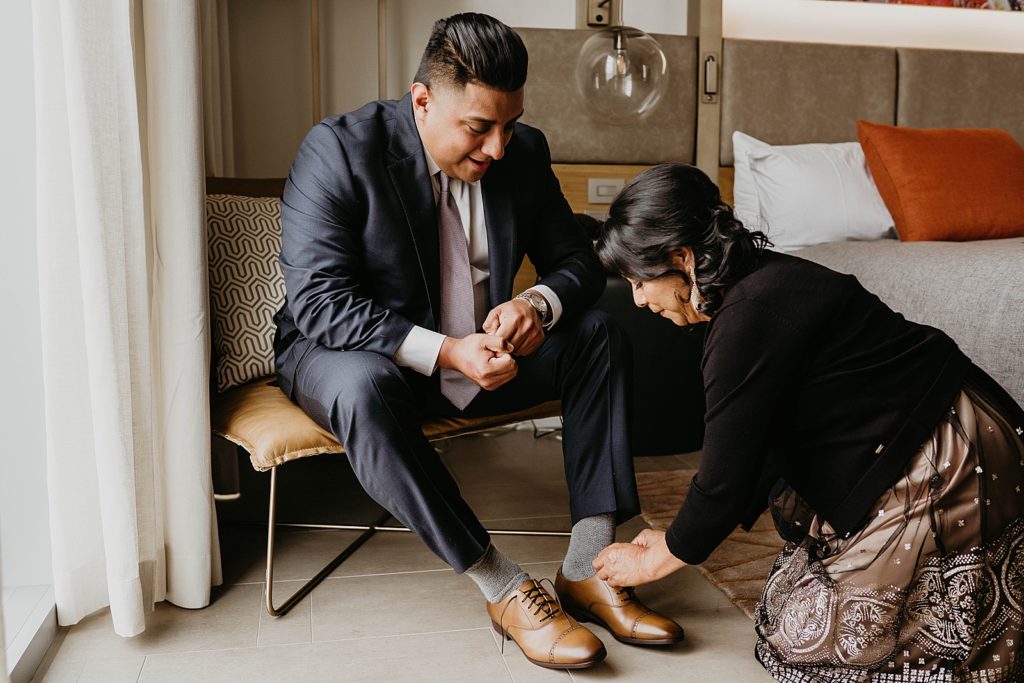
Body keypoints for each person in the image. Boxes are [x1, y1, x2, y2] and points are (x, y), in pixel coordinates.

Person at [273, 12, 683, 671]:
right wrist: (444, 349)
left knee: (600, 331)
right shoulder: (338, 149)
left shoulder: (521, 153)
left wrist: (536, 303)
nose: (497, 147)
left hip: (482, 351)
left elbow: (576, 261)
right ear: (423, 101)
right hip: (353, 351)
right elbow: (320, 302)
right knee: (363, 386)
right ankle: (504, 586)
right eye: (479, 127)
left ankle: (588, 567)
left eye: (509, 124)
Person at [592, 163, 1024, 682]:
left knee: (813, 651)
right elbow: (758, 443)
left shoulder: (747, 319)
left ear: (682, 258)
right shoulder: (758, 285)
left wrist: (656, 560)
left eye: (641, 281)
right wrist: (678, 537)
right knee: (784, 605)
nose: (639, 300)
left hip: (952, 449)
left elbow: (724, 477)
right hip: (919, 434)